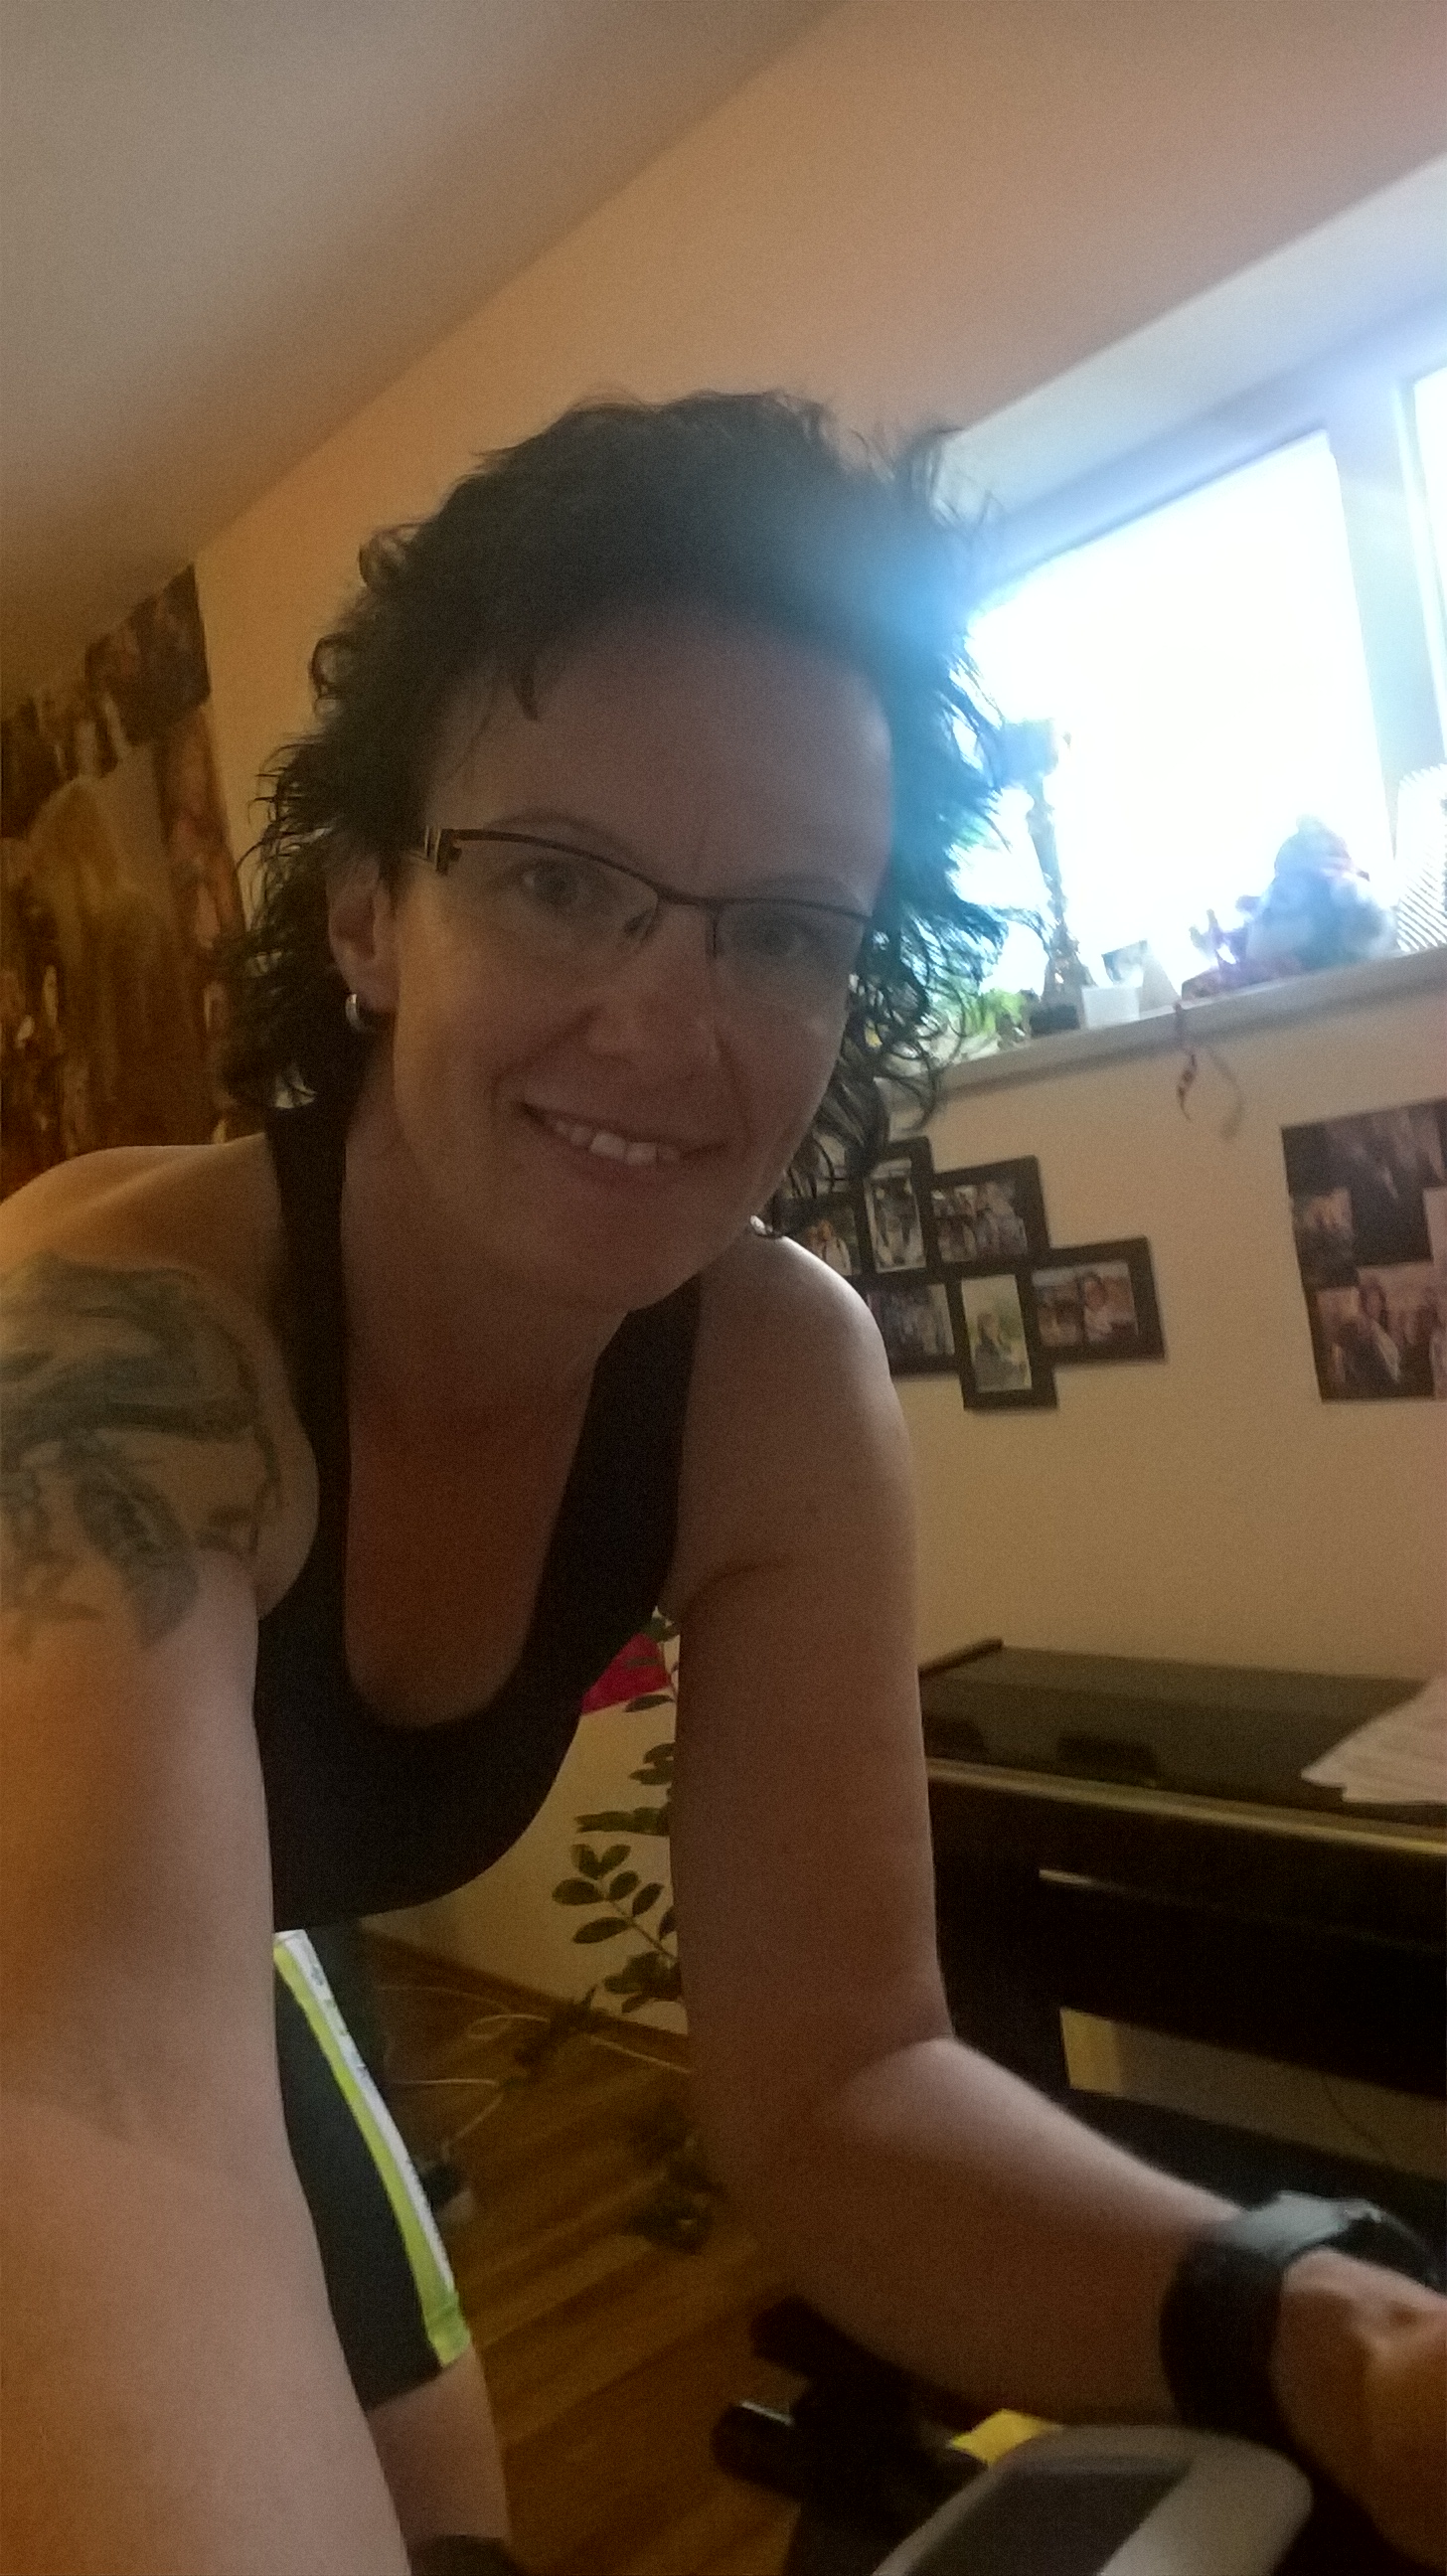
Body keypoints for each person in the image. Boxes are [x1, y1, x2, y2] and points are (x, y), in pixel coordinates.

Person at [1, 394, 1442, 2576]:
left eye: (777, 930)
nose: (670, 1031)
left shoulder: (768, 1376)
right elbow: (90, 2105)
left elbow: (844, 2083)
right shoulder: (113, 1350)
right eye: (559, 883)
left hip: (215, 1989)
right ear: (369, 913)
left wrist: (1335, 2337)